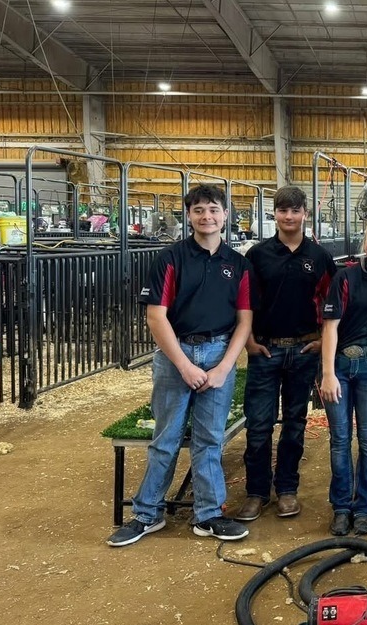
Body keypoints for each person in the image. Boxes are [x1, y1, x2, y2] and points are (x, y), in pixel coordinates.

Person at [107, 184, 254, 547]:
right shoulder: (170, 259)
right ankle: (147, 514)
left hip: (219, 352)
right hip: (176, 356)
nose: (207, 216)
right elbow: (157, 317)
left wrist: (223, 368)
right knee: (166, 438)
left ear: (225, 215)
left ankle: (208, 515)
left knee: (209, 440)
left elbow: (245, 320)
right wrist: (184, 365)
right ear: (189, 215)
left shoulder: (238, 265)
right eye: (199, 209)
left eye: (214, 209)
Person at [235, 186, 337, 522]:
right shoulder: (258, 255)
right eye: (282, 210)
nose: (289, 216)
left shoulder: (320, 257)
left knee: (295, 423)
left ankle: (287, 489)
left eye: (295, 210)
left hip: (304, 350)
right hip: (265, 349)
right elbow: (245, 301)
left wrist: (324, 339)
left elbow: (331, 303)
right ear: (274, 214)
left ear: (305, 213)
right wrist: (249, 340)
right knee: (260, 424)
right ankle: (256, 492)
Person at [319, 221, 367, 537]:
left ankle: (364, 507)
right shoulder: (346, 277)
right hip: (341, 366)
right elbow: (331, 327)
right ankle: (341, 507)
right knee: (339, 439)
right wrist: (326, 374)